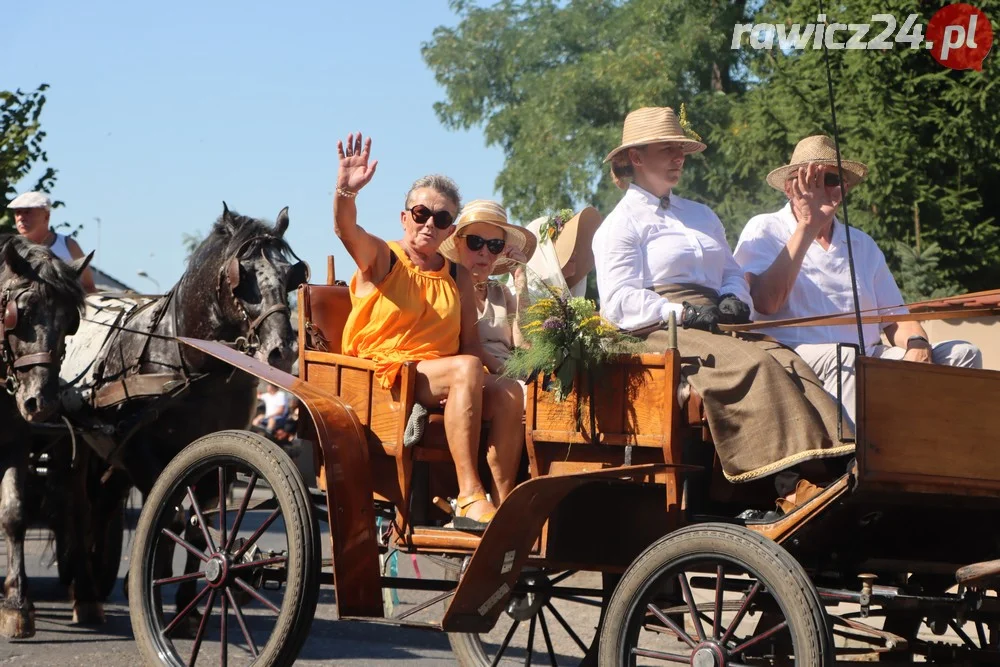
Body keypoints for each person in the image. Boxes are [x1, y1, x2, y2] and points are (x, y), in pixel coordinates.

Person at [593, 107, 854, 516]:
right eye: (668, 150)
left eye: (682, 150)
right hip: (659, 328)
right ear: (636, 158)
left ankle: (836, 465)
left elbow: (731, 272)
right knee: (751, 364)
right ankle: (787, 485)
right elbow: (620, 302)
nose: (679, 158)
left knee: (786, 358)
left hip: (715, 320)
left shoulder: (701, 214)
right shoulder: (619, 224)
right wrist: (683, 313)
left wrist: (735, 299)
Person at [334, 132, 523, 530]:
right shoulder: (385, 257)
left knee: (506, 391)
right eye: (421, 214)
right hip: (387, 374)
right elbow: (346, 231)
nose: (428, 225)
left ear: (449, 230)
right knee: (466, 369)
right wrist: (345, 193)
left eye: (440, 219)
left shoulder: (456, 275)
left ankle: (504, 507)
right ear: (405, 217)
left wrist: (523, 374)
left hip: (442, 378)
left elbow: (472, 346)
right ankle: (469, 495)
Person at [733, 135, 982, 429]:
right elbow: (765, 302)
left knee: (963, 354)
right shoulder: (765, 228)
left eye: (831, 179)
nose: (821, 189)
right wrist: (808, 225)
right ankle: (855, 468)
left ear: (844, 188)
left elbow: (895, 317)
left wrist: (917, 344)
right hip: (795, 354)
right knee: (848, 359)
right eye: (809, 179)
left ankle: (947, 458)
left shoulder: (862, 244)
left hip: (866, 356)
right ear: (790, 187)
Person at [438, 199, 536, 371]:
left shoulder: (501, 292)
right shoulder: (445, 287)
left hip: (509, 374)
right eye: (475, 242)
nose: (484, 252)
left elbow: (525, 345)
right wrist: (507, 375)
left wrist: (521, 282)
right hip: (472, 375)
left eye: (494, 245)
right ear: (457, 243)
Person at [8, 191, 97, 293]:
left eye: (27, 212)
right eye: (17, 212)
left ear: (46, 216)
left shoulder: (68, 245)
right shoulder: (9, 249)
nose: (20, 218)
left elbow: (88, 287)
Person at [523, 207, 603, 298]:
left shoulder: (571, 300)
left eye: (575, 244)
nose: (575, 252)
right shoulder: (522, 298)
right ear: (544, 253)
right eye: (567, 245)